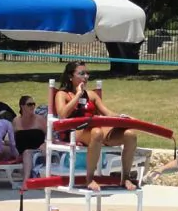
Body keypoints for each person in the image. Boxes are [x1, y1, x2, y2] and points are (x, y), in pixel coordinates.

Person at [54, 61, 138, 191]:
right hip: (74, 131)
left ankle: (125, 177)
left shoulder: (92, 95)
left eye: (87, 73)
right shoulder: (62, 94)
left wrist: (123, 117)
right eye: (81, 73)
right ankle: (89, 178)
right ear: (70, 76)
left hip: (93, 129)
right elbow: (62, 115)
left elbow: (108, 113)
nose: (86, 77)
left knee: (130, 135)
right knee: (97, 132)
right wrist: (77, 95)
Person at [13, 95, 47, 187]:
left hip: (37, 151)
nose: (32, 106)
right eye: (29, 104)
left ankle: (26, 182)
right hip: (19, 152)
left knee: (27, 153)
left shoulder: (40, 119)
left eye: (33, 104)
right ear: (22, 106)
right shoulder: (16, 121)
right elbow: (9, 139)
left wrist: (45, 144)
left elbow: (51, 136)